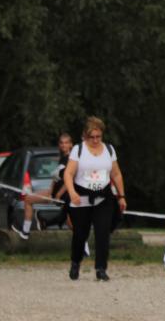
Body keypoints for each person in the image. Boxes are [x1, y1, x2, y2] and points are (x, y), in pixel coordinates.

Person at [63, 116, 127, 282]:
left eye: (99, 136)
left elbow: (116, 174)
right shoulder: (78, 150)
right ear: (86, 135)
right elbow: (68, 174)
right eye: (92, 137)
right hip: (81, 196)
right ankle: (75, 262)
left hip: (103, 196)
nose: (96, 140)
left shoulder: (109, 150)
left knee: (103, 232)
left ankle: (101, 268)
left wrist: (121, 196)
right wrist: (72, 192)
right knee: (80, 233)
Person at [15, 132, 73, 240]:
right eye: (61, 143)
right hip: (54, 194)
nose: (63, 145)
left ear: (71, 144)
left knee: (71, 224)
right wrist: (51, 192)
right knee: (28, 199)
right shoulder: (62, 158)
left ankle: (84, 246)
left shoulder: (71, 159)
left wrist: (58, 195)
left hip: (65, 196)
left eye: (66, 143)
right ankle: (25, 232)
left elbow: (68, 180)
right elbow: (56, 178)